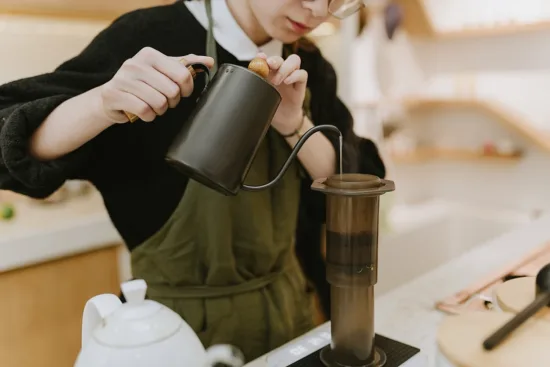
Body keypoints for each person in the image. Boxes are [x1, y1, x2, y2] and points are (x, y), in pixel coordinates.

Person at [0, 0, 385, 361]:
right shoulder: (149, 37)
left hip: (295, 318)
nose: (319, 10)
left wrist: (294, 125)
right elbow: (10, 134)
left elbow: (351, 180)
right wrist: (101, 103)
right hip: (175, 337)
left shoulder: (309, 63)